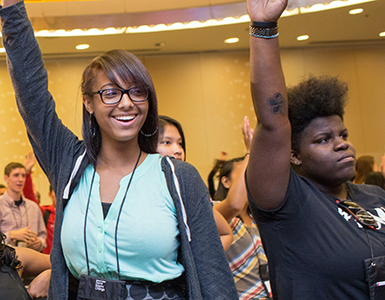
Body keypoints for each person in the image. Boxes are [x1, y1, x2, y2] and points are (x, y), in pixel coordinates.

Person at [0, 1, 238, 300]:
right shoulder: (69, 164)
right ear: (89, 102)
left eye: (137, 91)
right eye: (110, 93)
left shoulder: (178, 178)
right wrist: (11, 9)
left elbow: (213, 273)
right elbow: (31, 93)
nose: (126, 103)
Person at [245, 0, 385, 298]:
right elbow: (272, 122)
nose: (342, 143)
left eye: (343, 134)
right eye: (323, 139)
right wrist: (264, 28)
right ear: (293, 154)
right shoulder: (286, 204)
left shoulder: (375, 196)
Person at [213, 117, 271, 299]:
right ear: (226, 181)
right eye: (243, 172)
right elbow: (234, 204)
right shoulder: (216, 211)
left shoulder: (256, 216)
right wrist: (250, 152)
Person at [157, 115, 233, 251]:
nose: (178, 150)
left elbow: (225, 234)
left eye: (180, 143)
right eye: (167, 142)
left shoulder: (189, 188)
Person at [0, 162, 47, 252]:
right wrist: (11, 235)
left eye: (23, 176)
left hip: (32, 261)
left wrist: (39, 243)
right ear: (6, 178)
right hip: (6, 263)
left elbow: (43, 236)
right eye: (16, 175)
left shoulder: (33, 207)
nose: (20, 179)